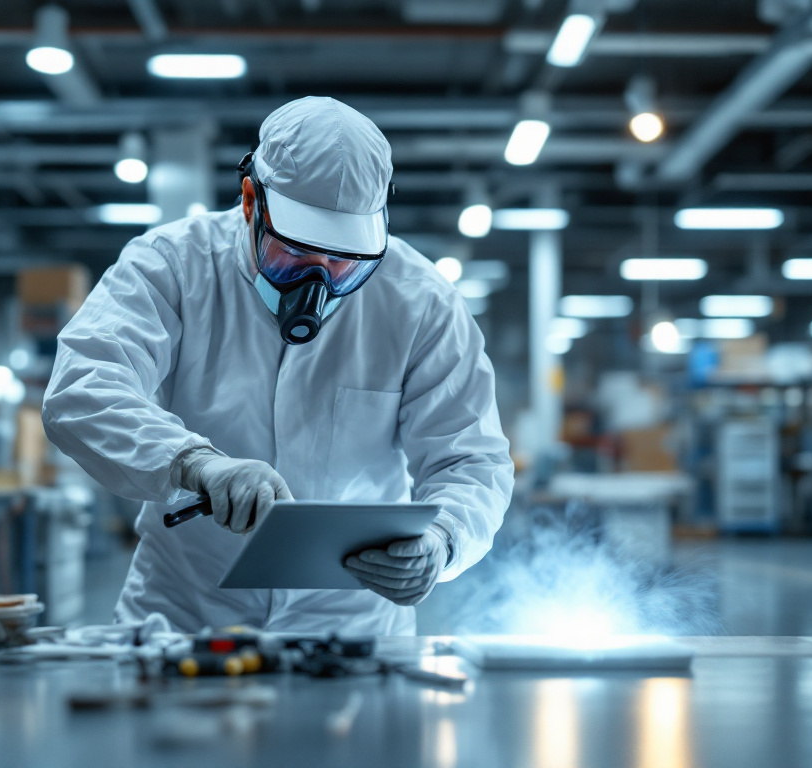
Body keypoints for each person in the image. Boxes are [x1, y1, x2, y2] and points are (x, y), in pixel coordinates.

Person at [42, 96, 513, 635]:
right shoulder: (171, 265)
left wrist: (444, 539)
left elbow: (471, 458)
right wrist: (195, 464)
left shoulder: (421, 301)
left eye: (344, 261)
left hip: (349, 626)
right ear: (250, 202)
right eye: (296, 253)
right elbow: (83, 388)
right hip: (186, 619)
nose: (320, 281)